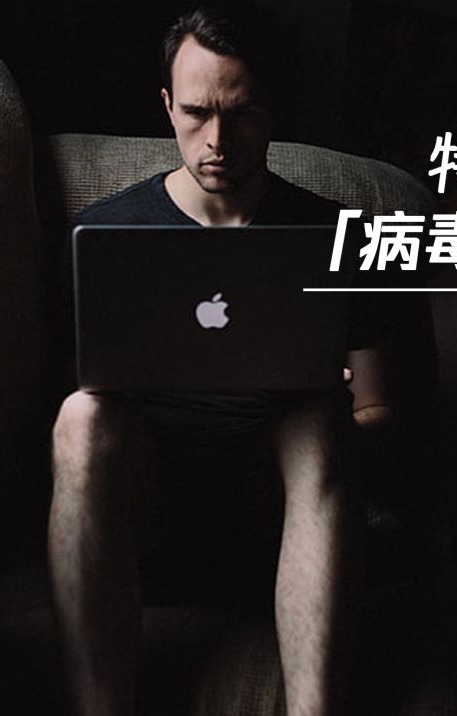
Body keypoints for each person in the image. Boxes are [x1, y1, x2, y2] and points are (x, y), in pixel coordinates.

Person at [48, 5, 394, 715]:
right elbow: (65, 407)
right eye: (197, 113)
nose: (217, 140)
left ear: (272, 109)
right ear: (166, 105)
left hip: (285, 508)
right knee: (80, 416)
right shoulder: (105, 236)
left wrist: (337, 403)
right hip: (147, 506)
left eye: (240, 114)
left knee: (319, 421)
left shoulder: (335, 238)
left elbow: (380, 407)